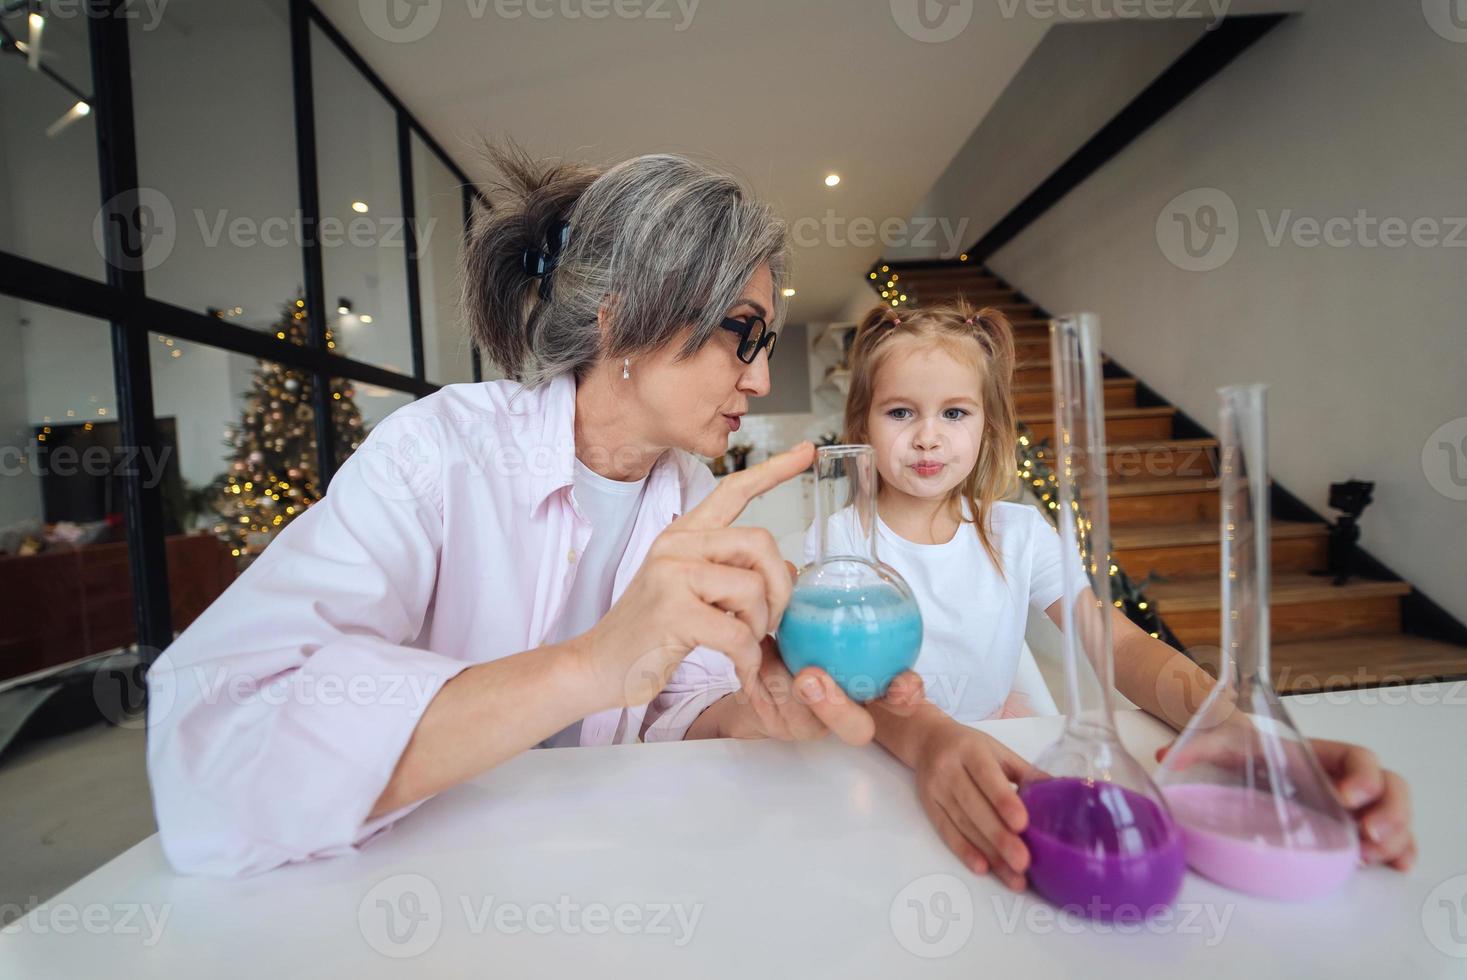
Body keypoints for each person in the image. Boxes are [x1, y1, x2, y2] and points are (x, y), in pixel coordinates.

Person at [144, 147, 919, 877]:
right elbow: (212, 762)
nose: (758, 380)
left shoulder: (684, 487)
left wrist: (752, 715)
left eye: (768, 342)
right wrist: (590, 664)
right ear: (621, 318)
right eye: (741, 335)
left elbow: (672, 704)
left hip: (597, 872)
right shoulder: (438, 454)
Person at [799, 299, 1417, 891]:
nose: (928, 438)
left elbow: (1117, 641)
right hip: (880, 758)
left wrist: (1227, 726)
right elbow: (830, 678)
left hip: (1009, 754)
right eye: (901, 412)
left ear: (990, 427)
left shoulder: (1017, 533)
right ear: (861, 426)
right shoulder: (838, 537)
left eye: (955, 413)